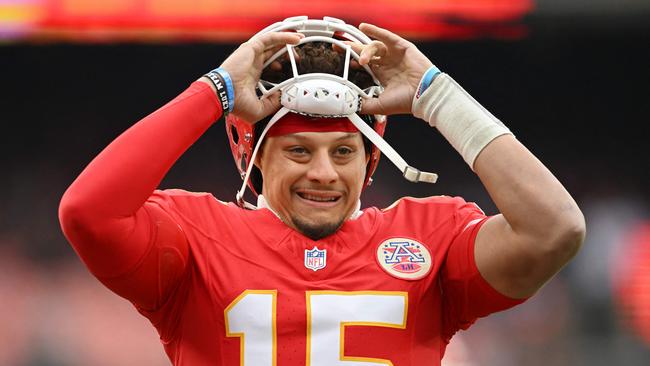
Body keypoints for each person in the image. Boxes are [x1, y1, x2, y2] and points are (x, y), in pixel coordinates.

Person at [58, 16, 585, 366]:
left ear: (370, 157)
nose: (324, 174)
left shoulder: (432, 237)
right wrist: (215, 90)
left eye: (342, 152)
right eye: (299, 151)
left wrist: (438, 97)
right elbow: (87, 212)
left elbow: (554, 229)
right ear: (255, 154)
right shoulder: (196, 239)